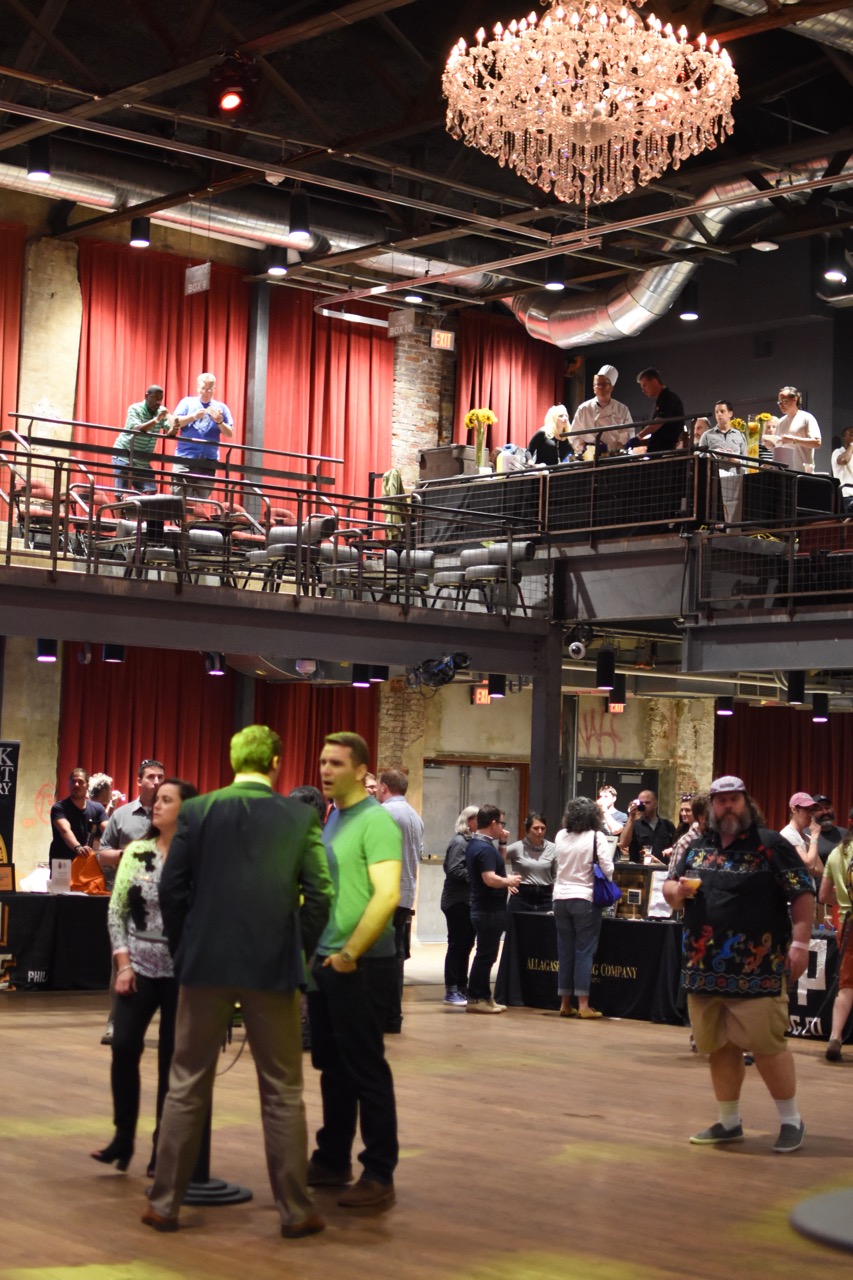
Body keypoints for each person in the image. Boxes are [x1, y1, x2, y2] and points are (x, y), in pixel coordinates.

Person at [143, 725, 333, 1238]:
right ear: (275, 764)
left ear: (232, 761)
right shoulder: (299, 817)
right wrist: (298, 950)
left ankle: (164, 1204)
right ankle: (296, 1211)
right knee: (283, 1091)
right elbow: (320, 894)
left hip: (204, 964)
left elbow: (171, 888)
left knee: (185, 1083)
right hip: (272, 968)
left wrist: (186, 948)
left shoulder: (198, 812)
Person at [663, 775, 814, 1153]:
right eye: (721, 800)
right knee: (718, 1047)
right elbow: (669, 889)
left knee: (767, 1046)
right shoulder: (696, 846)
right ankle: (729, 1122)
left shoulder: (770, 845)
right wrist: (676, 891)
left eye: (734, 799)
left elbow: (802, 892)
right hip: (703, 970)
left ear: (747, 803)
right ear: (712, 807)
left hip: (757, 971)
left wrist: (800, 943)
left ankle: (791, 1120)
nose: (727, 806)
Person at [307, 731, 402, 1211]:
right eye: (324, 762)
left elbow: (387, 895)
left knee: (365, 1069)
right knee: (333, 1068)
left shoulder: (376, 822)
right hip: (327, 959)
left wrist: (349, 954)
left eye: (337, 763)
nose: (326, 770)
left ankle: (379, 1172)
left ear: (362, 771)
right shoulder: (334, 817)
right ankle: (332, 1159)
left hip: (362, 964)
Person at [93, 777, 198, 1176]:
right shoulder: (137, 852)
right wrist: (123, 965)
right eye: (157, 798)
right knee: (123, 1047)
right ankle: (123, 1136)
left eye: (167, 800)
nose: (156, 804)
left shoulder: (197, 859)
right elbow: (116, 911)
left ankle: (162, 1149)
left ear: (185, 810)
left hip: (181, 973)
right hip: (138, 968)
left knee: (171, 1059)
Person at [97, 758, 166, 1045]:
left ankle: (170, 1027)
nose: (156, 781)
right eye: (151, 777)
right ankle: (116, 1023)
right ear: (139, 781)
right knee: (121, 961)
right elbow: (102, 854)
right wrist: (128, 855)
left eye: (160, 777)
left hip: (164, 902)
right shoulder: (122, 815)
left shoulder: (172, 814)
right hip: (129, 899)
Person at [553, 795, 615, 1019]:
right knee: (584, 951)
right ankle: (583, 1006)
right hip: (584, 898)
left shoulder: (561, 835)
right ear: (594, 816)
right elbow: (607, 869)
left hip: (560, 898)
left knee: (565, 951)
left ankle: (564, 1003)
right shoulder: (597, 836)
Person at [377, 769, 424, 1034]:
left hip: (385, 892)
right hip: (405, 893)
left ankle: (381, 1013)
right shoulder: (415, 817)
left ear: (384, 787)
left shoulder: (384, 813)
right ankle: (392, 1016)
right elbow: (417, 854)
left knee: (380, 955)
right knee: (395, 955)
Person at [465, 805, 521, 1014]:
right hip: (488, 910)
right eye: (501, 824)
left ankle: (484, 997)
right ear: (494, 823)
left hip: (486, 908)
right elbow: (489, 878)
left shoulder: (480, 845)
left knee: (487, 954)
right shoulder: (484, 848)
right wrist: (509, 881)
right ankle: (476, 998)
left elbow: (496, 864)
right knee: (485, 955)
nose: (503, 829)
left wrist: (503, 844)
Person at [818, 815, 853, 1062]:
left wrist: (842, 900)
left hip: (846, 923)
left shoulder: (836, 852)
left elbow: (823, 895)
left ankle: (835, 1037)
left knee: (847, 984)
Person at [170, 372, 234, 499]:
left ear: (214, 389)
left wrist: (219, 422)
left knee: (200, 501)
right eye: (203, 388)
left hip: (208, 462)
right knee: (179, 499)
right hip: (185, 458)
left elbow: (230, 433)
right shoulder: (187, 402)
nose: (205, 392)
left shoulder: (221, 407)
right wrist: (193, 416)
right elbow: (174, 422)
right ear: (197, 387)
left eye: (209, 389)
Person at [440, 805, 478, 1007]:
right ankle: (452, 989)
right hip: (457, 902)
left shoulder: (472, 842)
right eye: (478, 819)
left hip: (467, 901)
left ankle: (462, 986)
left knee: (466, 945)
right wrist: (478, 876)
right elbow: (453, 869)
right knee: (457, 945)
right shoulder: (460, 842)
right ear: (469, 821)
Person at [112, 385, 175, 494]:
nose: (158, 402)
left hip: (143, 461)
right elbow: (137, 429)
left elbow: (170, 431)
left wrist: (175, 427)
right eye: (155, 398)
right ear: (146, 396)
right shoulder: (135, 409)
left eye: (160, 399)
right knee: (122, 493)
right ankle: (123, 504)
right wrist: (156, 420)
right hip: (125, 456)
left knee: (151, 491)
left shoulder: (160, 412)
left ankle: (137, 505)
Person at [48, 767, 106, 865]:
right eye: (73, 781)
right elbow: (65, 830)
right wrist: (78, 848)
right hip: (63, 863)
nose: (76, 785)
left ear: (87, 785)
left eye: (80, 782)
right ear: (69, 784)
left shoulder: (98, 808)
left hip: (86, 861)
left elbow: (108, 829)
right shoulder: (59, 808)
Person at [571, 365, 633, 455]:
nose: (599, 387)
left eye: (604, 384)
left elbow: (628, 434)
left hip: (615, 455)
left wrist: (609, 448)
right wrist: (585, 448)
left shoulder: (622, 409)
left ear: (611, 387)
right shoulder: (583, 409)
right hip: (590, 456)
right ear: (593, 387)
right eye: (597, 384)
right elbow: (574, 436)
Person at [505, 811, 556, 913]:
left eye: (543, 828)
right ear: (528, 829)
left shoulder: (553, 848)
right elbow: (495, 859)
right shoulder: (517, 847)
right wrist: (506, 880)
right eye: (536, 828)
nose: (540, 831)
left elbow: (556, 876)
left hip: (545, 897)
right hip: (521, 896)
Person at [762, 387, 821, 473]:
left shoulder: (806, 418)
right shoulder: (780, 422)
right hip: (784, 473)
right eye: (779, 402)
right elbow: (779, 447)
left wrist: (793, 440)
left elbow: (817, 443)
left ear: (794, 399)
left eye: (784, 401)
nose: (781, 405)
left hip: (802, 473)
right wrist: (770, 446)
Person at [633, 368, 686, 453]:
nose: (643, 391)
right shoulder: (661, 400)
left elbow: (659, 421)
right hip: (661, 449)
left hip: (666, 450)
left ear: (654, 382)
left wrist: (639, 437)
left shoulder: (667, 398)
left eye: (645, 385)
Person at [618, 790, 676, 863]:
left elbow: (675, 847)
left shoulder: (668, 825)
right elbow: (623, 844)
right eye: (641, 803)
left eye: (647, 803)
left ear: (655, 804)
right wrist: (631, 817)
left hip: (662, 867)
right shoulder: (633, 825)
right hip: (639, 868)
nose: (644, 805)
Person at [779, 791, 821, 876]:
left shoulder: (807, 838)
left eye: (812, 810)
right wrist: (814, 836)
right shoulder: (788, 834)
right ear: (794, 809)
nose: (810, 815)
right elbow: (810, 865)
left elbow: (821, 870)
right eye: (807, 810)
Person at [698, 401, 748, 472]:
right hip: (714, 477)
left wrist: (736, 460)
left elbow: (746, 461)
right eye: (716, 412)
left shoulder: (739, 435)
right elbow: (699, 457)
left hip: (735, 477)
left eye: (722, 411)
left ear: (730, 413)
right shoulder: (706, 435)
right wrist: (711, 454)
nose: (719, 414)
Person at [811, 793, 844, 872]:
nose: (825, 812)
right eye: (819, 809)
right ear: (811, 813)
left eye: (827, 807)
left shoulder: (846, 834)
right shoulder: (805, 835)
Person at [831, 426, 853, 512]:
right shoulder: (838, 452)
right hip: (846, 496)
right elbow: (844, 460)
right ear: (844, 438)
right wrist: (852, 444)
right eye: (851, 435)